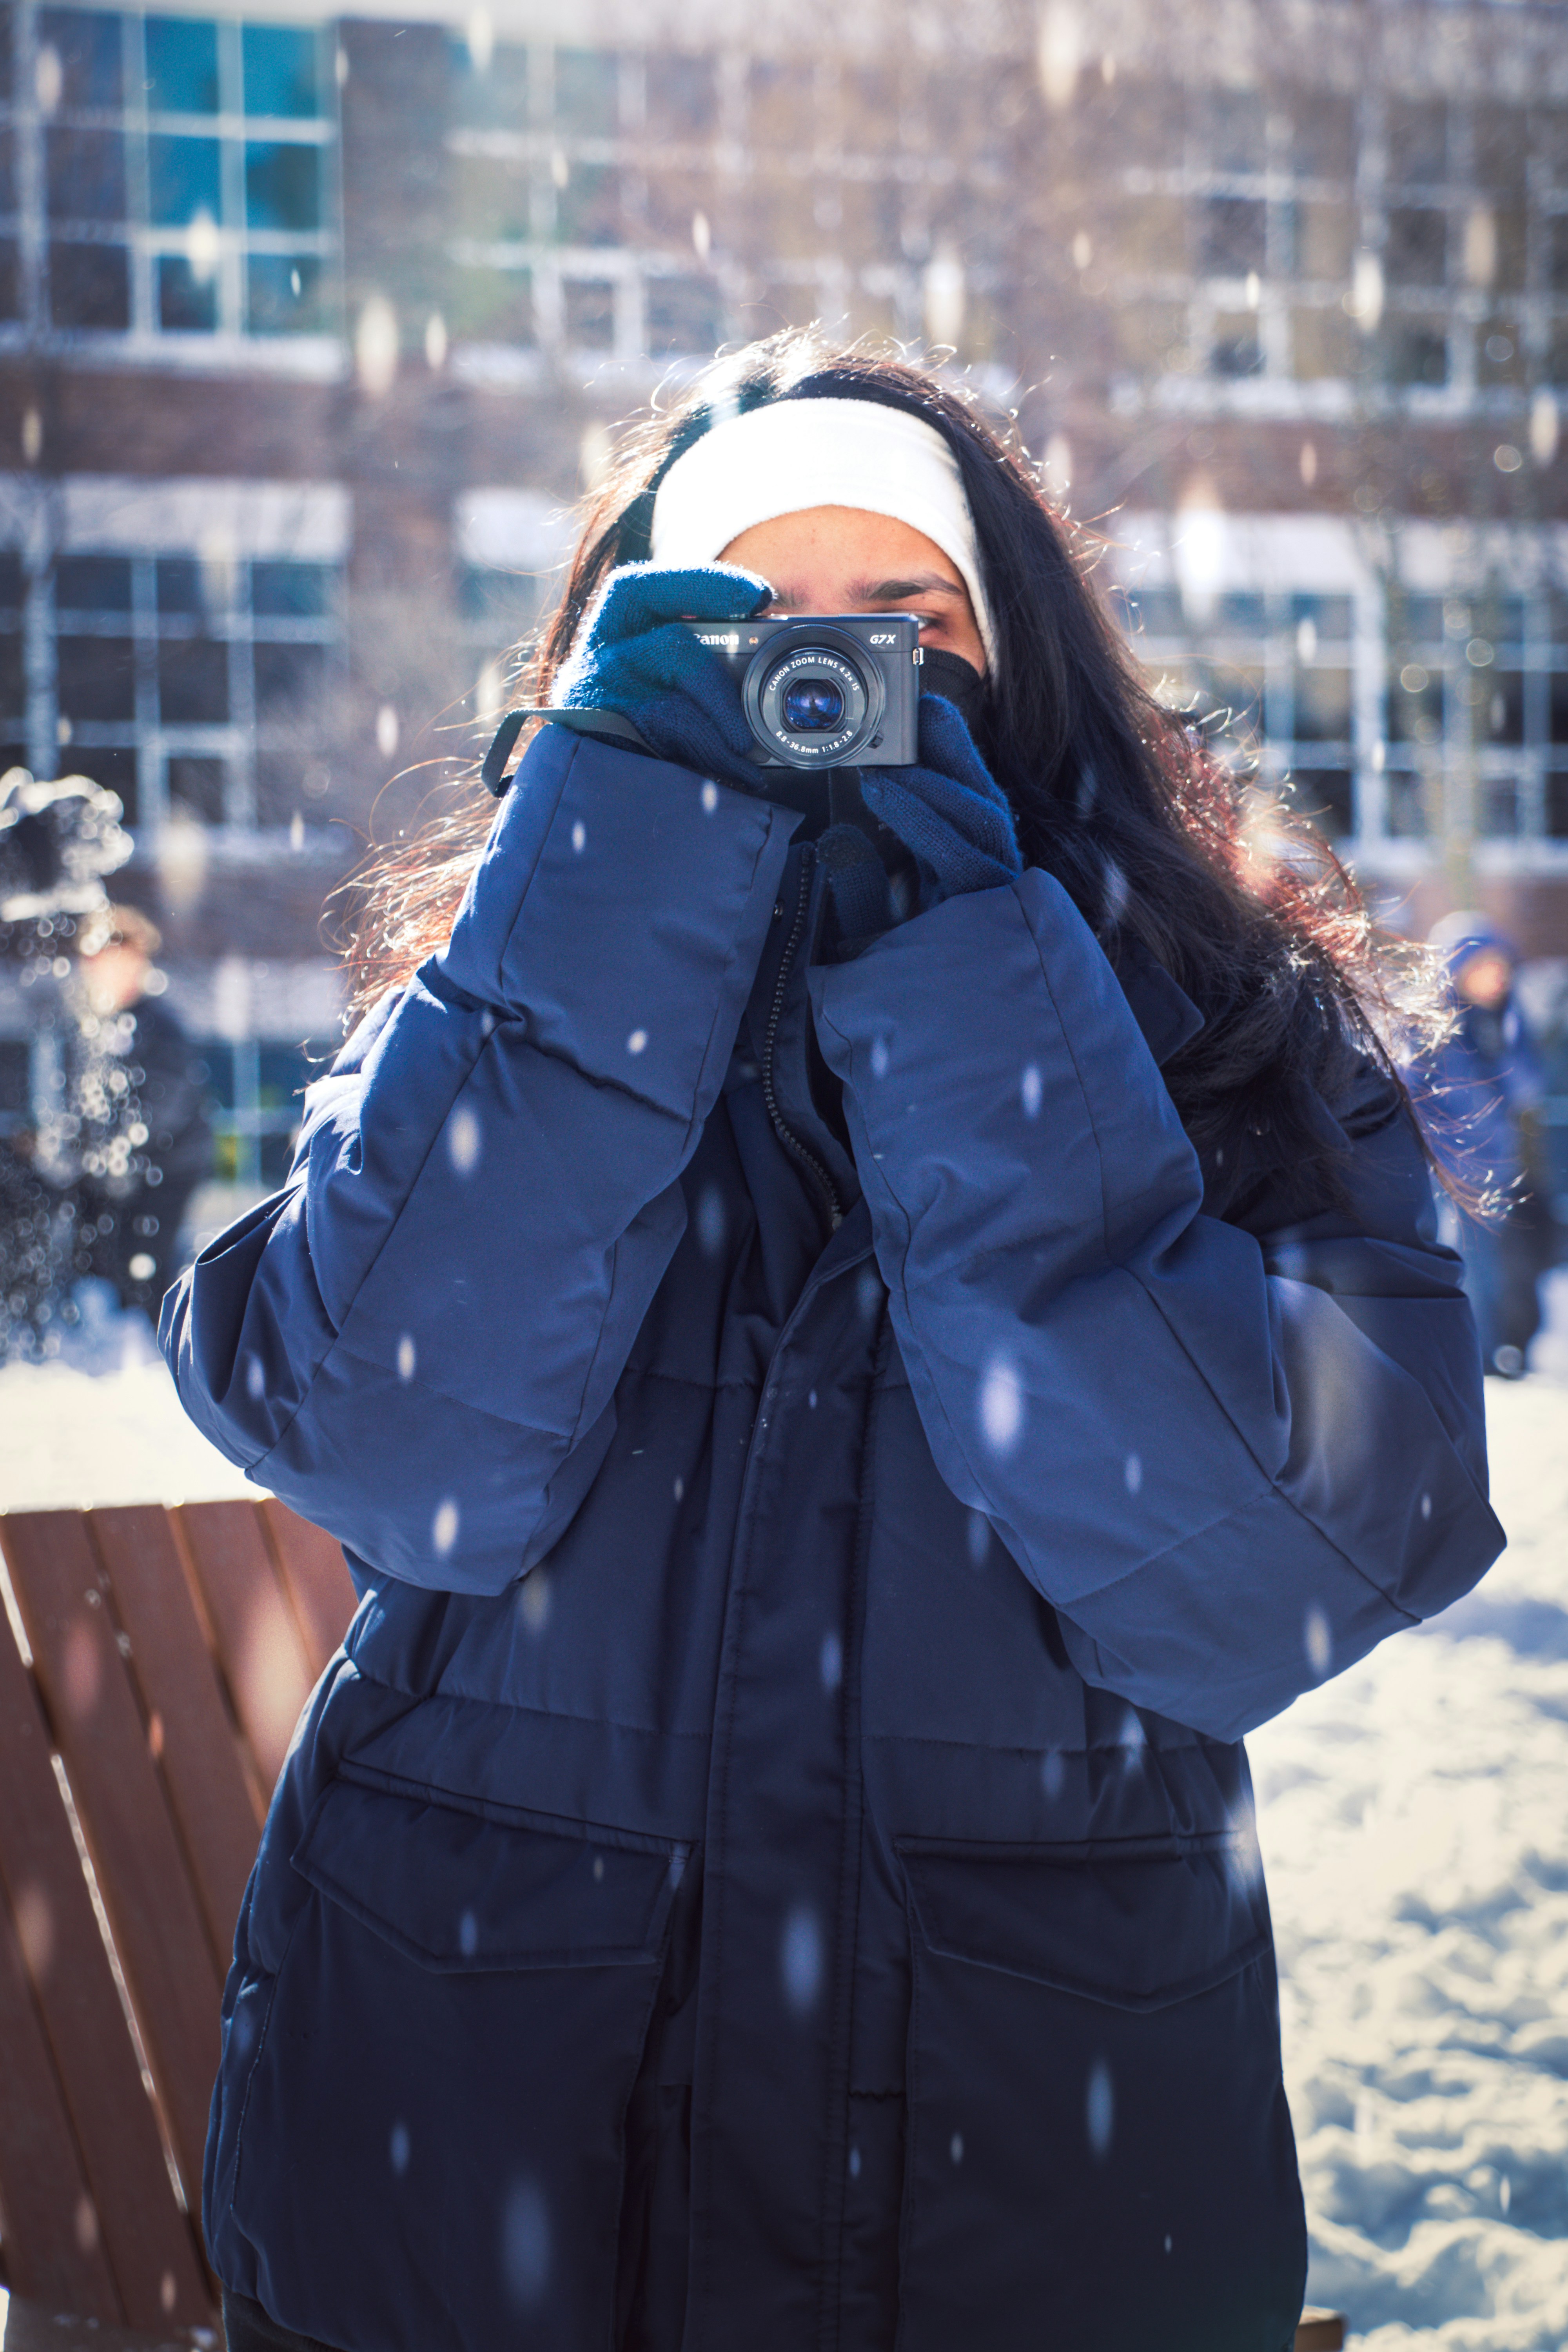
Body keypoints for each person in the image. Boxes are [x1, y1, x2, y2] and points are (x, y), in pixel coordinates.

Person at [162, 339, 1503, 2352]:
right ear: (626, 658)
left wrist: (971, 973)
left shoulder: (1217, 1019)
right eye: (752, 618)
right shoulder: (500, 973)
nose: (832, 673)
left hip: (1016, 2167)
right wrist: (604, 892)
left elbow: (1248, 1591)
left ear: (1018, 664)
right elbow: (389, 1442)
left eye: (908, 619)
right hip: (467, 2133)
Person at [66, 902, 213, 1323]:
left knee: (143, 1264)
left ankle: (156, 1336)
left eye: (119, 965)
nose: (106, 975)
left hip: (166, 1168)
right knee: (99, 1259)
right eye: (98, 964)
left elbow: (159, 1107)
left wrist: (106, 1148)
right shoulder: (94, 1026)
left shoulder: (158, 1026)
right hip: (124, 1168)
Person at [1425, 912, 1546, 1377]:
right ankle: (1476, 1361)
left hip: (1500, 1170)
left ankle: (1506, 1352)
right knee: (1467, 1269)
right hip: (1451, 1174)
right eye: (1483, 967)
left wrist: (1506, 1038)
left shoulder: (1503, 1023)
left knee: (1512, 1272)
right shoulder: (1430, 1027)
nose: (1497, 978)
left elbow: (1528, 1089)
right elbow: (1431, 1097)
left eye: (1502, 967)